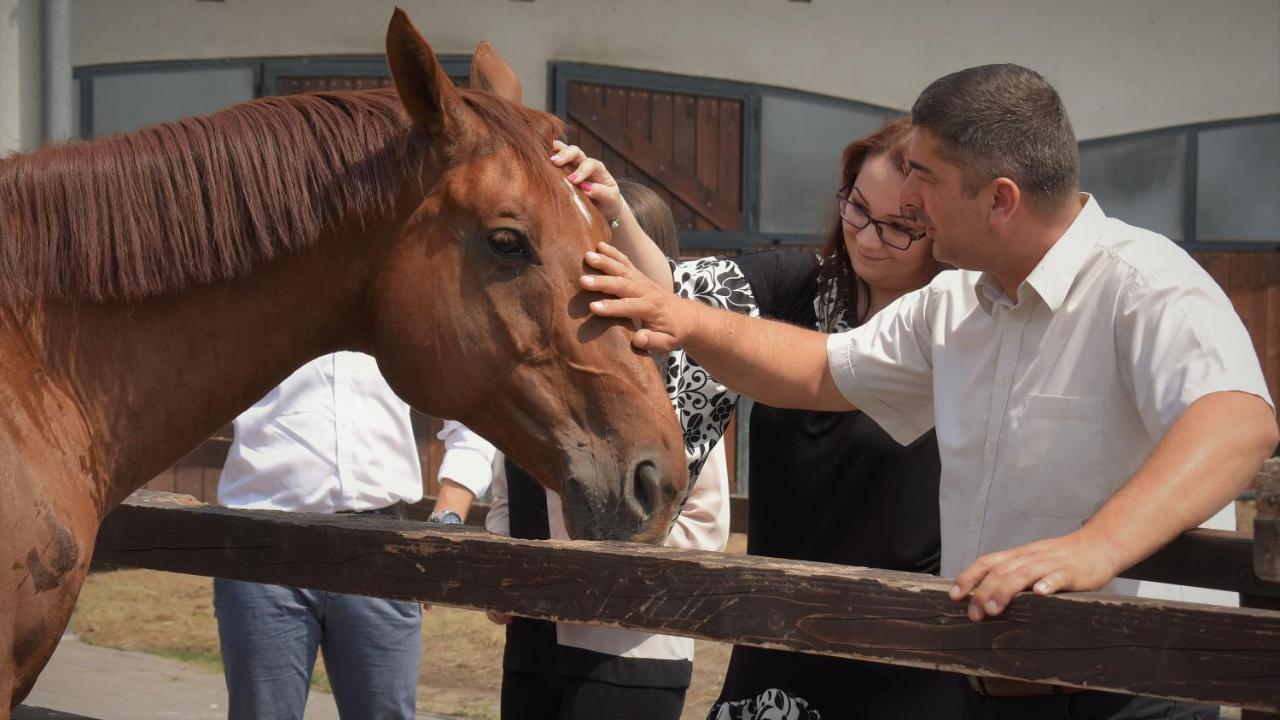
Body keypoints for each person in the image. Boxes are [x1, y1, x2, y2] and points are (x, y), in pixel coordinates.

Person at [578, 64, 1278, 720]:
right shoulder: (957, 304)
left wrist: (1094, 548)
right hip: (987, 689)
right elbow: (822, 370)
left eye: (925, 177)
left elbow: (1237, 425)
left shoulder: (1145, 284)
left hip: (1129, 694)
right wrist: (683, 317)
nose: (907, 200)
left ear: (1000, 199)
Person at [486, 176, 733, 720]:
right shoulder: (563, 367)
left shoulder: (680, 377)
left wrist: (580, 578)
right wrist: (502, 565)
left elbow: (705, 527)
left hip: (629, 651)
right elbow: (507, 483)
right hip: (532, 641)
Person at [213, 351, 496, 720]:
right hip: (261, 547)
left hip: (381, 548)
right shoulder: (250, 298)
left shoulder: (399, 307)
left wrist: (446, 520)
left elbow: (472, 411)